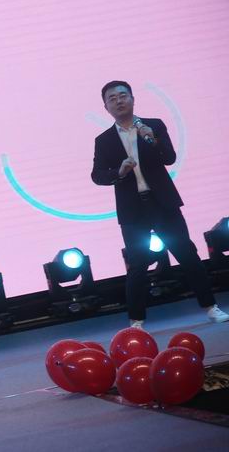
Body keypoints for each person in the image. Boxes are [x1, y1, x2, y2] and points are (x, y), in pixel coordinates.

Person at [91, 81, 228, 329]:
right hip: (133, 210)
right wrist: (118, 172)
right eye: (112, 98)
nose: (119, 101)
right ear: (106, 107)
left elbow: (170, 157)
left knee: (187, 254)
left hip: (162, 203)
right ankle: (136, 321)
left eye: (123, 95)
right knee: (137, 265)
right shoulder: (104, 140)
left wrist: (152, 139)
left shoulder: (153, 125)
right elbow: (97, 175)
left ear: (133, 99)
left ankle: (211, 307)